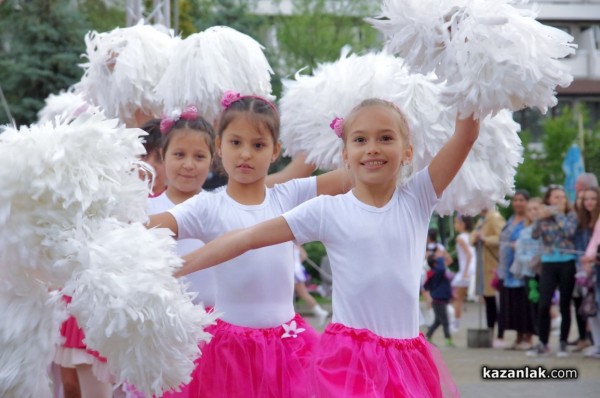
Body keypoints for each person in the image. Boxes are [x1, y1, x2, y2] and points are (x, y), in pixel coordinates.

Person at [179, 98, 479, 397]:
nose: (372, 147)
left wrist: (470, 68)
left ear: (408, 151)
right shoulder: (326, 211)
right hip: (350, 361)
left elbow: (465, 136)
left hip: (408, 358)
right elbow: (245, 238)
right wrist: (176, 267)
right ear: (346, 154)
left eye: (386, 138)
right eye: (360, 139)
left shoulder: (418, 197)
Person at [147, 92, 350, 398]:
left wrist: (364, 137)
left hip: (289, 346)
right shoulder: (206, 207)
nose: (245, 154)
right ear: (219, 146)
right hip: (228, 351)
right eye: (235, 142)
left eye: (258, 145)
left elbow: (351, 176)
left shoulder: (287, 195)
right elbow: (151, 226)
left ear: (275, 151)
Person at [527, 185, 578, 357]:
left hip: (567, 262)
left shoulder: (570, 215)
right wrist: (539, 218)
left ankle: (563, 342)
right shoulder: (544, 217)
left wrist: (558, 214)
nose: (559, 200)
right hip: (548, 263)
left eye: (562, 197)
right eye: (556, 197)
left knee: (565, 303)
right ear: (548, 199)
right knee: (543, 303)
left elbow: (569, 232)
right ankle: (543, 342)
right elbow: (534, 235)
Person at [498, 190, 535, 350]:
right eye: (516, 200)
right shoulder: (510, 220)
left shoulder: (530, 221)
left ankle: (528, 336)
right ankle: (518, 336)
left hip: (524, 267)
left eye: (521, 200)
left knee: (525, 303)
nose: (518, 203)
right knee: (513, 304)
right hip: (507, 268)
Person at [471, 208, 506, 347]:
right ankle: (490, 331)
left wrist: (485, 238)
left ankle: (500, 334)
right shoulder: (481, 220)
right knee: (488, 300)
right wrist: (476, 237)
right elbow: (471, 237)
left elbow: (502, 237)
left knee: (498, 302)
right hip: (483, 266)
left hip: (494, 265)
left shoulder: (495, 217)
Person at [577, 187, 600, 358]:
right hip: (590, 271)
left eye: (593, 198)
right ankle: (597, 344)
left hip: (595, 267)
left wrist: (590, 257)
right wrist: (587, 259)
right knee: (593, 307)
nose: (589, 202)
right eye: (586, 199)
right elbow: (593, 244)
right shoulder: (585, 222)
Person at [424, 249, 455, 347]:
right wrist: (441, 257)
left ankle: (428, 335)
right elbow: (442, 268)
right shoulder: (437, 272)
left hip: (439, 299)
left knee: (438, 320)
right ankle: (448, 339)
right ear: (434, 263)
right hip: (439, 300)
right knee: (444, 320)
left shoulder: (434, 273)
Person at [451, 214, 475, 333]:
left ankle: (456, 323)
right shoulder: (470, 236)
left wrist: (465, 272)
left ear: (462, 224)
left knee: (457, 298)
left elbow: (469, 254)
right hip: (471, 269)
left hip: (466, 270)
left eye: (456, 222)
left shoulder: (460, 238)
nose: (455, 225)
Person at [293, 244, 329, 320]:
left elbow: (304, 256)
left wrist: (295, 262)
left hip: (294, 270)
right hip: (296, 269)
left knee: (302, 293)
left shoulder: (287, 243)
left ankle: (320, 312)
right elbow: (304, 256)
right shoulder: (296, 245)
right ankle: (319, 312)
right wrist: (297, 262)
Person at [140, 119, 168, 197]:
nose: (150, 165)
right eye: (143, 156)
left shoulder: (183, 205)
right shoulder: (115, 200)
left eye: (159, 158)